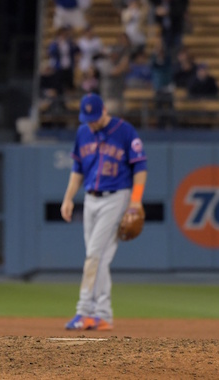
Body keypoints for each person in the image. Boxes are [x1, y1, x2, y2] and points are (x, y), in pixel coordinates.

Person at [61, 93, 147, 331]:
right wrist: (68, 198)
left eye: (94, 117)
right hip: (90, 198)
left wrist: (136, 201)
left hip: (117, 196)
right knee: (99, 257)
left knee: (95, 255)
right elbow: (77, 169)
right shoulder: (83, 133)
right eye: (87, 118)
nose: (91, 122)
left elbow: (140, 167)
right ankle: (103, 314)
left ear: (105, 111)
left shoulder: (125, 131)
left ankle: (84, 311)